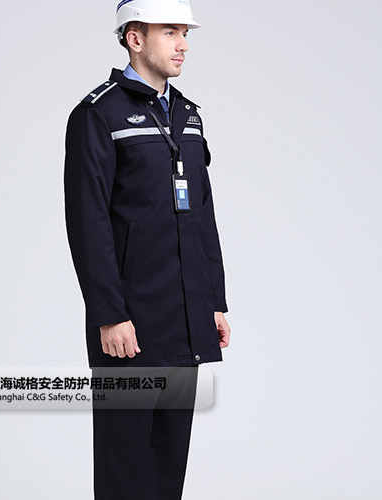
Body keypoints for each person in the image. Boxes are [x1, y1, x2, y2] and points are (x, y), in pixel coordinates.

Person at [63, 1, 231, 498]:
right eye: (171, 32)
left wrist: (212, 301)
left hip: (185, 321)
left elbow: (202, 216)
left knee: (167, 466)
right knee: (125, 468)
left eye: (186, 33)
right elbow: (88, 223)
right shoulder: (99, 114)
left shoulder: (188, 116)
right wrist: (109, 314)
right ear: (135, 38)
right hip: (129, 327)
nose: (183, 45)